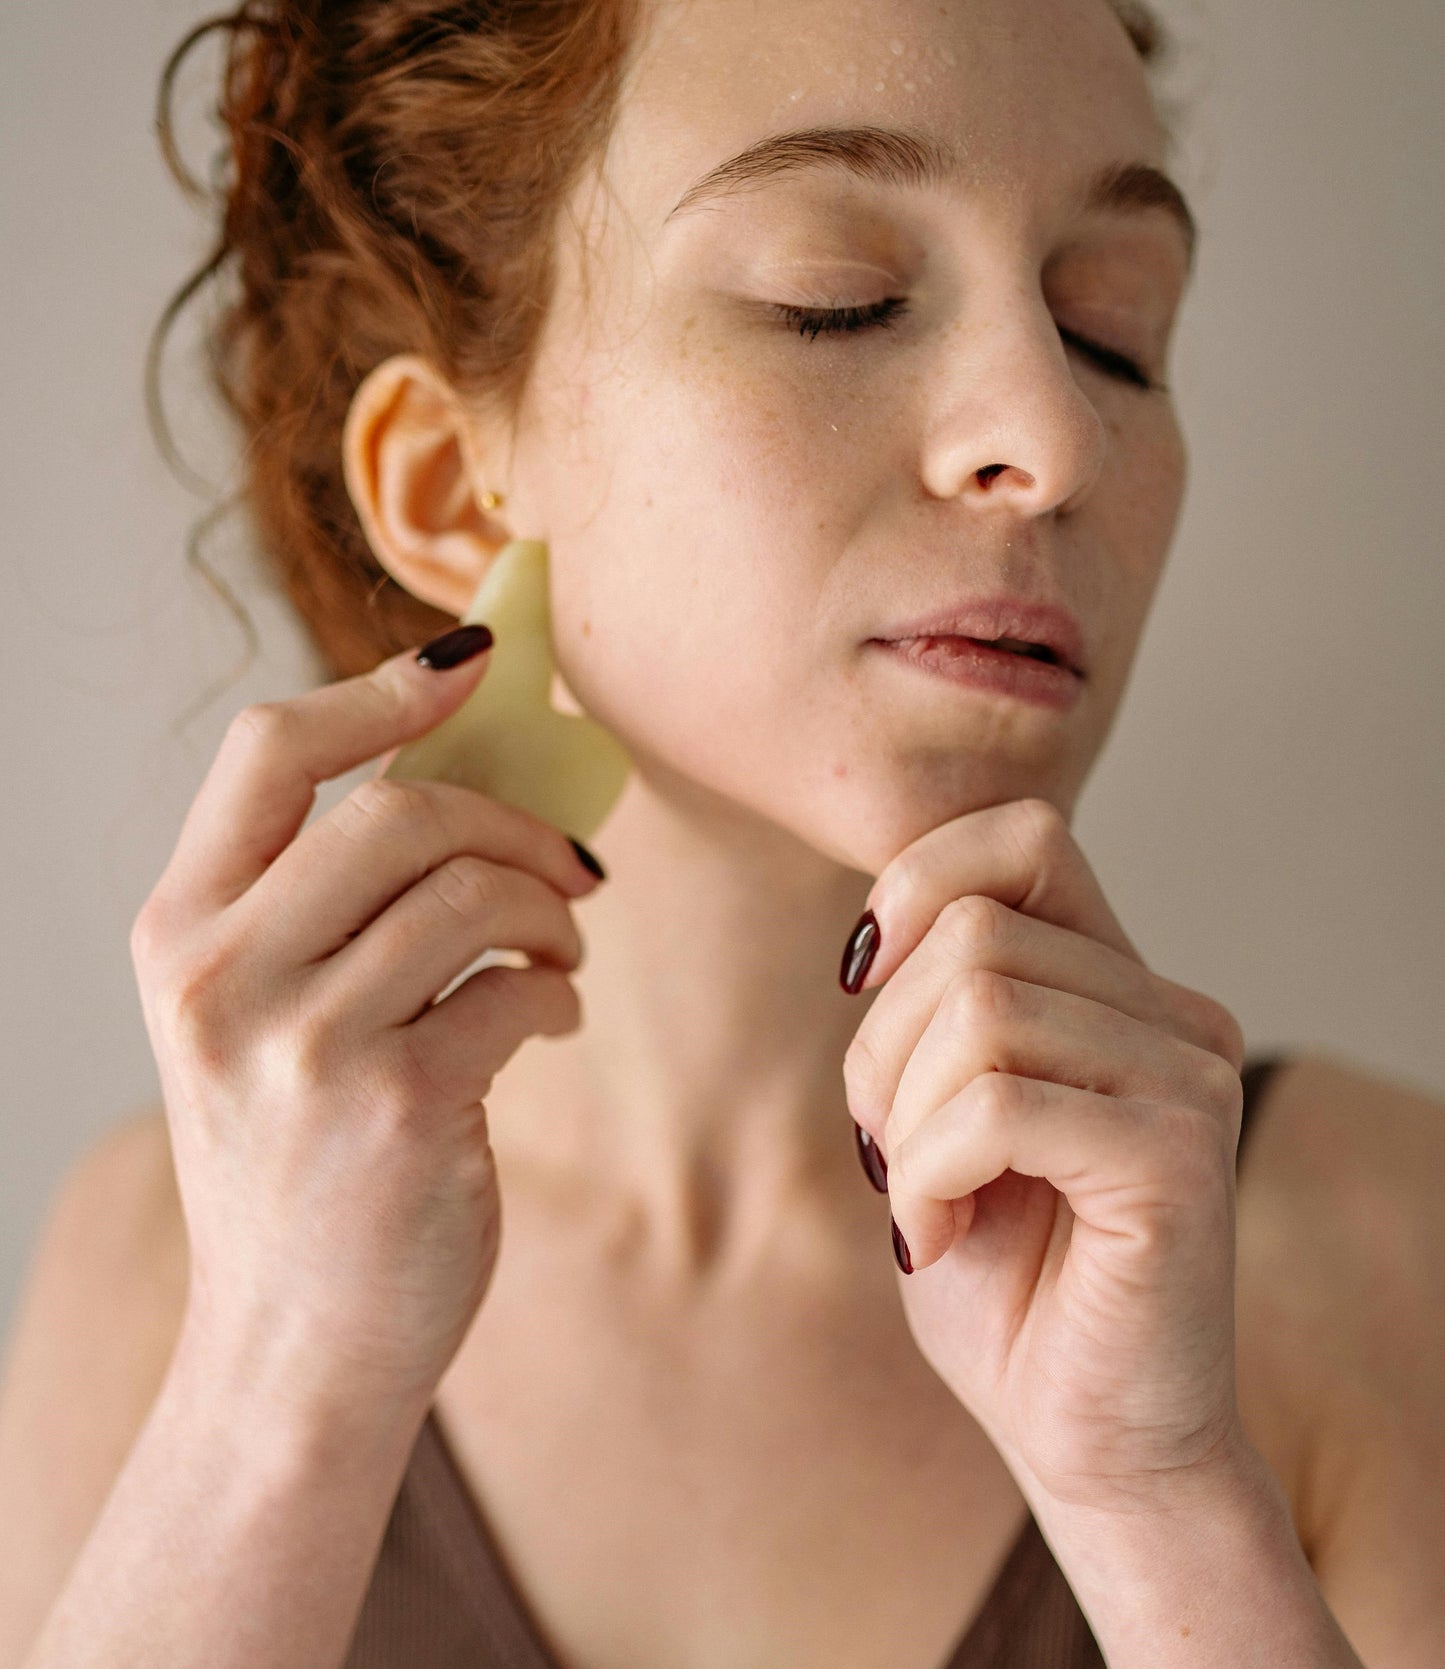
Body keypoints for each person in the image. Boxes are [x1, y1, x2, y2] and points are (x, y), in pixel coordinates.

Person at [1, 0, 1441, 1664]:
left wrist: (1160, 1499)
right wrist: (276, 1394)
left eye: (1112, 327)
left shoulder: (1379, 1248)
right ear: (455, 488)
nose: (1051, 444)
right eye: (836, 299)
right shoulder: (153, 1263)